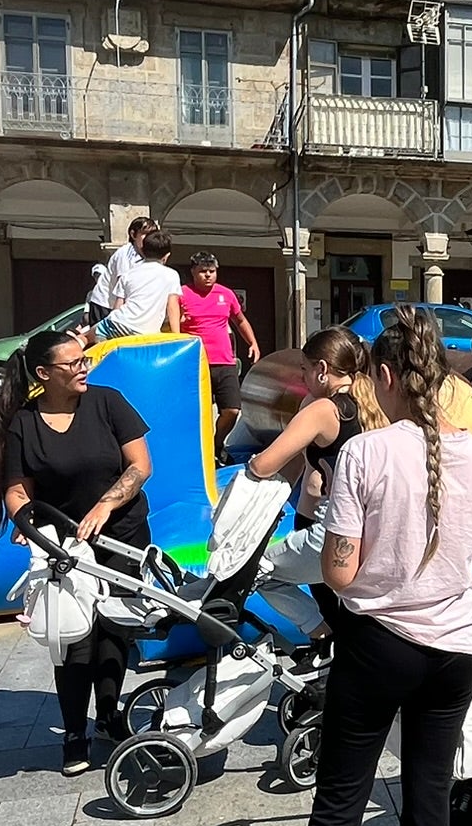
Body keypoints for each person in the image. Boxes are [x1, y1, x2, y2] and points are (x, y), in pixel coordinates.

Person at [239, 308, 472, 826]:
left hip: (378, 645)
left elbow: (339, 569)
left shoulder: (364, 455)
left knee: (337, 809)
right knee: (427, 805)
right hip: (453, 650)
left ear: (384, 376)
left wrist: (360, 572)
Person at [0, 328, 153, 777]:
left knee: (115, 628)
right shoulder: (24, 423)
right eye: (72, 364)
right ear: (43, 373)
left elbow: (140, 465)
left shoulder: (108, 402)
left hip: (120, 535)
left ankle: (111, 716)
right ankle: (75, 732)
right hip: (64, 547)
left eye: (84, 360)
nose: (83, 369)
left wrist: (105, 505)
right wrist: (28, 524)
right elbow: (17, 491)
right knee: (73, 637)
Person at [246, 327, 387, 663]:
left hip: (333, 527)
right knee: (346, 605)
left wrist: (252, 464)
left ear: (323, 369)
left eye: (306, 370)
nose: (303, 377)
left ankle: (322, 633)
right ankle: (338, 649)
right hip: (373, 527)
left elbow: (267, 464)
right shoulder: (372, 403)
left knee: (255, 570)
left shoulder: (323, 410)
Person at [178, 252, 261, 465]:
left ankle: (217, 443)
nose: (208, 276)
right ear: (193, 272)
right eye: (203, 272)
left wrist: (252, 343)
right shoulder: (182, 294)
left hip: (224, 361)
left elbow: (240, 320)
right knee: (199, 414)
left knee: (232, 410)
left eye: (211, 272)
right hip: (196, 363)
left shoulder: (226, 294)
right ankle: (203, 453)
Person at [100, 228, 182, 339]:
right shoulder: (171, 275)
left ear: (142, 250)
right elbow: (172, 307)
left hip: (117, 324)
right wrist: (177, 336)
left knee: (85, 336)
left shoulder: (128, 274)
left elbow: (118, 307)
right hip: (146, 332)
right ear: (166, 256)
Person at [92, 215, 156, 331]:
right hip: (105, 304)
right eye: (144, 234)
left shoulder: (146, 256)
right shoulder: (126, 254)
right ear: (133, 234)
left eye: (152, 234)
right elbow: (123, 284)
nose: (148, 238)